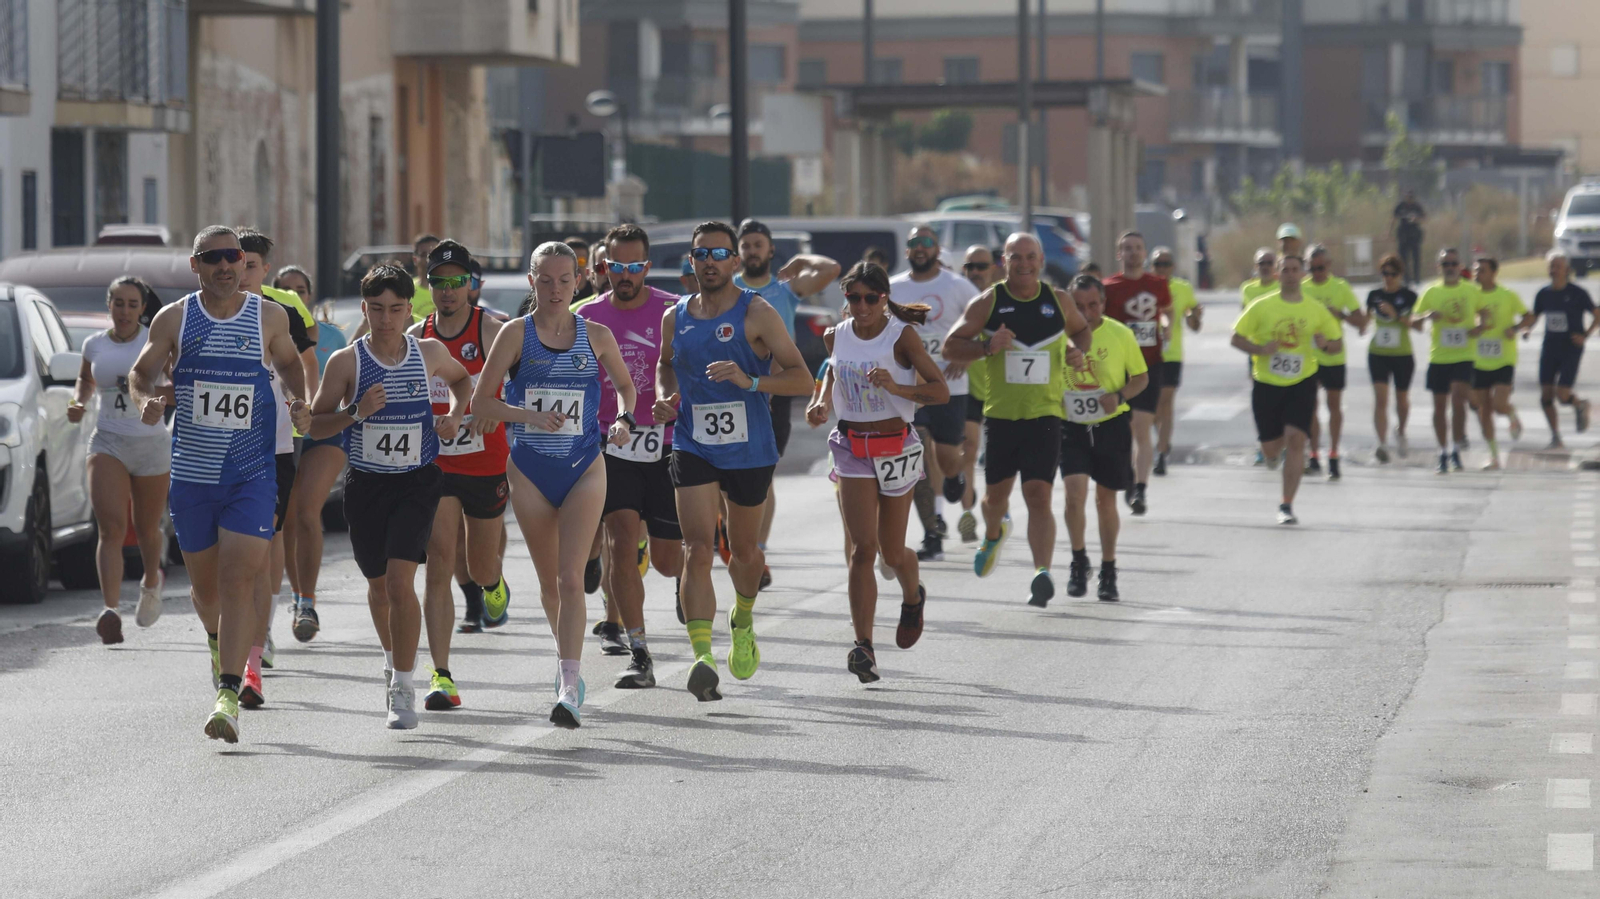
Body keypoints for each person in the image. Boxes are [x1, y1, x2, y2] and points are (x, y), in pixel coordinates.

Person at [130, 225, 310, 743]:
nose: (226, 266)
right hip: (192, 476)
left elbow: (292, 367)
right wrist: (146, 400)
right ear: (196, 265)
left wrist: (299, 403)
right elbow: (141, 373)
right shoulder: (176, 318)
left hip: (251, 474)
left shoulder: (269, 316)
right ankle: (216, 641)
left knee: (238, 581)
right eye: (213, 258)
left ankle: (229, 692)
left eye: (233, 256)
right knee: (206, 592)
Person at [473, 242, 638, 728]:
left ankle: (568, 684)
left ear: (579, 280)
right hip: (529, 470)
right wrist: (528, 416)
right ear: (531, 281)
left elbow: (626, 388)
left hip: (585, 465)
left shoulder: (597, 335)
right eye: (545, 279)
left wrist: (625, 419)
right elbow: (483, 403)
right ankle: (566, 660)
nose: (555, 289)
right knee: (550, 585)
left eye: (565, 279)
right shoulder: (514, 335)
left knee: (571, 579)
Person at [307, 264, 472, 730]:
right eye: (376, 309)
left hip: (417, 482)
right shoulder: (346, 362)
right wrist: (355, 412)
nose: (386, 319)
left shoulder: (430, 352)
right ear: (364, 309)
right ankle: (391, 660)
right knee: (379, 588)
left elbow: (463, 382)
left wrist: (455, 415)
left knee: (401, 583)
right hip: (366, 485)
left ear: (408, 310)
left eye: (396, 309)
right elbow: (315, 426)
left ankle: (403, 686)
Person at [655, 221, 813, 702]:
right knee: (697, 548)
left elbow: (803, 379)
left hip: (749, 449)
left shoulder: (758, 312)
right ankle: (702, 657)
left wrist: (750, 382)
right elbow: (666, 362)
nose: (708, 262)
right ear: (691, 261)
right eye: (700, 254)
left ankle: (742, 617)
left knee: (743, 553)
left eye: (718, 254)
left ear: (734, 262)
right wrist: (667, 397)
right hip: (692, 442)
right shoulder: (675, 315)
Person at [805, 261, 946, 681]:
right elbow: (832, 371)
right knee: (861, 549)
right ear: (845, 298)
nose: (862, 306)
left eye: (871, 298)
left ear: (885, 299)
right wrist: (822, 403)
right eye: (853, 298)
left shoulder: (900, 336)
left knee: (890, 550)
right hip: (852, 447)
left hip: (895, 445)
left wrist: (896, 387)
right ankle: (863, 646)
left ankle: (912, 595)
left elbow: (938, 391)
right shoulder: (836, 334)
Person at [941, 232, 1093, 606]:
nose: (1023, 264)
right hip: (1003, 417)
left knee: (1038, 494)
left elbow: (1083, 331)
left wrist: (1076, 352)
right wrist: (986, 346)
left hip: (1045, 415)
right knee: (995, 499)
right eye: (1015, 257)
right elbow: (949, 346)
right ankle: (993, 534)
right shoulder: (988, 302)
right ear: (1003, 263)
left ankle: (1041, 572)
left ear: (1041, 261)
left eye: (1030, 257)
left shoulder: (1058, 300)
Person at [577, 224, 686, 689]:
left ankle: (688, 574)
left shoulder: (671, 311)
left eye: (632, 266)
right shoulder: (586, 316)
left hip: (665, 443)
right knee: (621, 540)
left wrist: (675, 399)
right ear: (603, 268)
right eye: (614, 266)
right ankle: (638, 651)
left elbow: (689, 368)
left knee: (665, 560)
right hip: (612, 442)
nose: (623, 275)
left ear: (646, 266)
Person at [408, 240, 513, 711]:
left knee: (481, 564)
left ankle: (493, 585)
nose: (447, 291)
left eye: (456, 282)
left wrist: (495, 411)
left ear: (471, 284)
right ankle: (442, 676)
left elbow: (521, 381)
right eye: (438, 282)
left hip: (486, 462)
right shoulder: (417, 336)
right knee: (439, 564)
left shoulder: (490, 330)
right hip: (436, 463)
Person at [732, 218, 840, 588]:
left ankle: (757, 551)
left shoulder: (785, 288)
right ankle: (735, 540)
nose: (751, 251)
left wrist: (801, 261)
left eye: (758, 244)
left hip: (772, 394)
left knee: (764, 476)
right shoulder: (729, 290)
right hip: (731, 394)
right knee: (723, 477)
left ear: (770, 250)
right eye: (745, 245)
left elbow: (832, 269)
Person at [236, 228, 319, 693]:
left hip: (275, 443)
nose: (240, 272)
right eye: (234, 261)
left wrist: (302, 403)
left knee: (265, 540)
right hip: (222, 448)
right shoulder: (204, 308)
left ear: (265, 270)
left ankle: (259, 636)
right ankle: (227, 632)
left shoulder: (282, 311)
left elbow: (303, 364)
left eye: (250, 264)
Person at [69, 277, 171, 644]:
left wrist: (146, 393)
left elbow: (179, 387)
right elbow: (85, 380)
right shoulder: (93, 344)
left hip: (150, 443)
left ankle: (149, 582)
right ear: (108, 304)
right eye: (118, 303)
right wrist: (79, 401)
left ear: (143, 308)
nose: (124, 311)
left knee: (146, 529)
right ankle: (110, 610)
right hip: (107, 440)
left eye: (132, 304)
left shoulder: (155, 341)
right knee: (110, 528)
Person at [1231, 254, 1342, 525]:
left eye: (1295, 269)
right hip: (1267, 383)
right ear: (1278, 274)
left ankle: (1286, 505)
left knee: (1296, 439)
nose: (1291, 274)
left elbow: (1337, 343)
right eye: (1286, 270)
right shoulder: (1261, 306)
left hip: (1302, 382)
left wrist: (1325, 344)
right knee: (1271, 448)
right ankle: (1270, 455)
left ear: (1302, 274)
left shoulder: (1315, 309)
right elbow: (1236, 338)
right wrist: (1260, 349)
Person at [891, 225, 979, 562]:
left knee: (945, 458)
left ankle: (955, 475)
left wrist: (967, 356)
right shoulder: (895, 287)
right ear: (908, 250)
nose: (920, 248)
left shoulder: (957, 286)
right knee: (919, 451)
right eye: (914, 243)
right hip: (911, 389)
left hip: (950, 388)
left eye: (926, 242)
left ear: (937, 248)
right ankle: (932, 530)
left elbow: (985, 322)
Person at [1059, 275, 1148, 602]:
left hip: (1111, 424)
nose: (1086, 311)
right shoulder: (1059, 336)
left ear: (1103, 303)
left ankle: (1108, 568)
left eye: (1093, 304)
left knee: (1105, 500)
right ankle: (1079, 559)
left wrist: (1120, 395)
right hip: (1071, 425)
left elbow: (1141, 378)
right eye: (1078, 306)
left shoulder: (1120, 334)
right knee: (1074, 493)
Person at [280, 266, 347, 642]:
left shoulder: (334, 336)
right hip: (284, 434)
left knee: (307, 511)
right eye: (286, 289)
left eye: (301, 289)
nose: (295, 294)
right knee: (287, 517)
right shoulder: (268, 327)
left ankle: (307, 600)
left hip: (324, 433)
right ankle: (294, 595)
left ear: (309, 297)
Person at [1101, 231, 1171, 516]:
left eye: (1138, 248)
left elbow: (1166, 311)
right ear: (1120, 254)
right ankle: (1129, 480)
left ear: (1145, 253)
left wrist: (1165, 325)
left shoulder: (1157, 284)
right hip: (1118, 368)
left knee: (1141, 426)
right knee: (1124, 431)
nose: (1133, 253)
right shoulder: (1108, 286)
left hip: (1150, 364)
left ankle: (1140, 488)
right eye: (1127, 249)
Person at [1412, 248, 1481, 474]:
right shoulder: (1430, 291)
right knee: (1439, 407)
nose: (1450, 268)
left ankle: (1458, 444)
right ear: (1438, 268)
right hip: (1439, 356)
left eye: (1453, 263)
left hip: (1464, 355)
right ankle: (1444, 450)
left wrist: (1480, 327)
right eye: (1445, 264)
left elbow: (1486, 313)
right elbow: (1413, 319)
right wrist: (1425, 317)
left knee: (1458, 398)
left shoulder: (1471, 290)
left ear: (1460, 266)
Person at [1301, 244, 1365, 480]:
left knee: (1334, 406)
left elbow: (1361, 321)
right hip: (1309, 356)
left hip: (1334, 355)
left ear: (1329, 266)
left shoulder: (1340, 287)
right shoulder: (1301, 287)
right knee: (1310, 408)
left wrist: (1341, 315)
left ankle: (1334, 454)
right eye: (1311, 268)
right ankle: (1314, 455)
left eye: (1320, 268)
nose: (1316, 273)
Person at [1468, 256, 1531, 470]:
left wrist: (1515, 328)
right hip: (1478, 360)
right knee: (1483, 409)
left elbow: (1528, 316)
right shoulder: (1470, 295)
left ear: (1494, 273)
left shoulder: (1507, 295)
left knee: (1498, 405)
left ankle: (1511, 413)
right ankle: (1494, 457)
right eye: (1476, 270)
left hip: (1504, 358)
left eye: (1482, 270)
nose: (1478, 274)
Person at [1531, 251, 1596, 448]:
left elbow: (1597, 314)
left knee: (1563, 394)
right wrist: (1525, 328)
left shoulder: (1577, 293)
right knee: (1546, 395)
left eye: (1557, 266)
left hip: (1571, 348)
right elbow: (1535, 316)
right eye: (1551, 266)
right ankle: (1555, 436)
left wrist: (1585, 334)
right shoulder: (1543, 294)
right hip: (1549, 347)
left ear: (1567, 270)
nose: (1553, 270)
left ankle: (1579, 404)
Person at [956, 244, 999, 543]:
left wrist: (967, 356)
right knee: (968, 449)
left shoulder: (1002, 299)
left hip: (999, 387)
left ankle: (998, 508)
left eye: (981, 266)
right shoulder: (960, 298)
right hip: (968, 388)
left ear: (993, 268)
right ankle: (967, 512)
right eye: (970, 266)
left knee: (997, 457)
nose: (975, 272)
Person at [1151, 247, 1201, 476]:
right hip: (1146, 353)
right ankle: (1162, 437)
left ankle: (1161, 453)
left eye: (1166, 264)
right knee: (1151, 409)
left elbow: (1194, 326)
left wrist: (1195, 317)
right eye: (1157, 264)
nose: (1162, 268)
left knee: (1166, 401)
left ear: (1173, 266)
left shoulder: (1182, 288)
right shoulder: (1145, 286)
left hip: (1171, 354)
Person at [1365, 254, 1418, 462]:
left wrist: (1395, 314)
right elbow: (1365, 318)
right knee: (1380, 399)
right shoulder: (1374, 295)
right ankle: (1382, 443)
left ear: (1400, 275)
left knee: (1401, 400)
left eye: (1393, 274)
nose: (1388, 278)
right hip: (1378, 353)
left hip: (1402, 354)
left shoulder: (1409, 296)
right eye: (1385, 274)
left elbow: (1416, 324)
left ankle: (1401, 430)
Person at [1393, 191, 1427, 284]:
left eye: (1411, 197)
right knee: (1403, 258)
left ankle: (1416, 278)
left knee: (1416, 258)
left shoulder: (1417, 207)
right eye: (1408, 197)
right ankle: (1406, 278)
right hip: (1403, 236)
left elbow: (1424, 217)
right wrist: (1389, 232)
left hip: (1414, 236)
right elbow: (1394, 218)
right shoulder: (1401, 206)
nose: (1409, 199)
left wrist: (1416, 219)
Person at [409, 233, 441, 320]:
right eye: (424, 254)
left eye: (433, 254)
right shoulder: (406, 290)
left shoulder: (450, 288)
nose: (428, 259)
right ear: (415, 259)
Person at [566, 237, 597, 303]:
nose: (576, 266)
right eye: (572, 260)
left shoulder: (595, 291)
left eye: (581, 261)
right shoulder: (555, 291)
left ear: (588, 262)